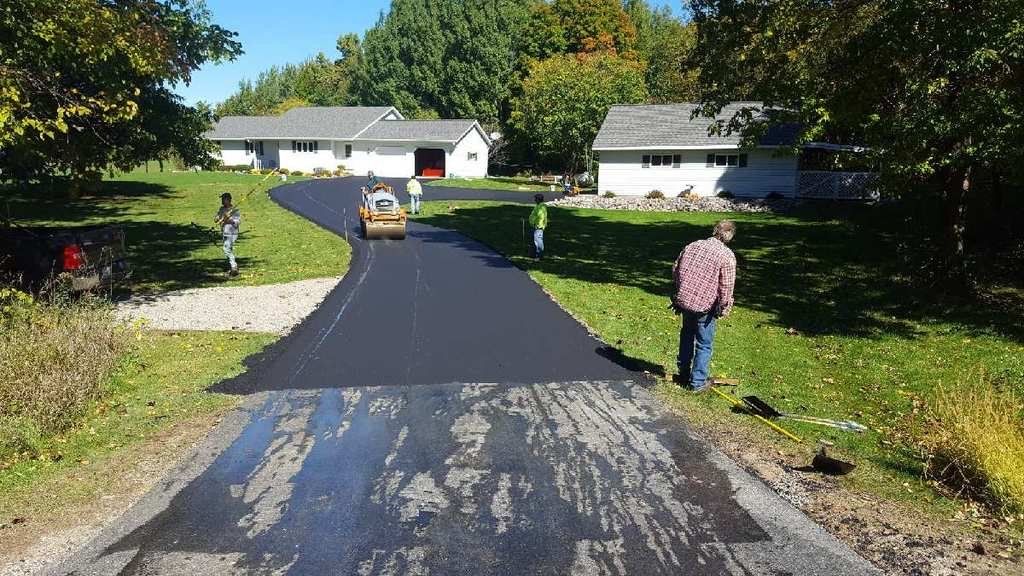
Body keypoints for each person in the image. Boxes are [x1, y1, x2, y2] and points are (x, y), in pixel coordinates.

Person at [671, 220, 737, 392]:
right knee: (704, 343)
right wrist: (723, 307)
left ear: (715, 230)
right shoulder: (727, 256)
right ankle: (698, 382)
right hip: (705, 307)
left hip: (685, 300)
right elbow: (726, 287)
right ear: (729, 236)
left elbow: (676, 269)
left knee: (686, 334)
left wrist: (680, 291)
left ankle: (683, 373)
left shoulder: (693, 246)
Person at [215, 192, 241, 277]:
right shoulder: (221, 209)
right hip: (224, 232)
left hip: (232, 232)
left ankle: (234, 266)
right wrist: (219, 218)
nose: (222, 201)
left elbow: (236, 222)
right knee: (227, 249)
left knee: (226, 249)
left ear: (228, 200)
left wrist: (227, 219)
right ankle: (232, 266)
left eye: (224, 199)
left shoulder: (234, 210)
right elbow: (216, 219)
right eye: (222, 199)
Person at [528, 194, 548, 259]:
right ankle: (533, 254)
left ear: (538, 199)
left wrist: (538, 225)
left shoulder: (541, 207)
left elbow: (541, 217)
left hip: (538, 227)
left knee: (538, 241)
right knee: (533, 241)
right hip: (534, 226)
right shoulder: (538, 206)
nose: (534, 200)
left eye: (535, 199)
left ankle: (539, 255)